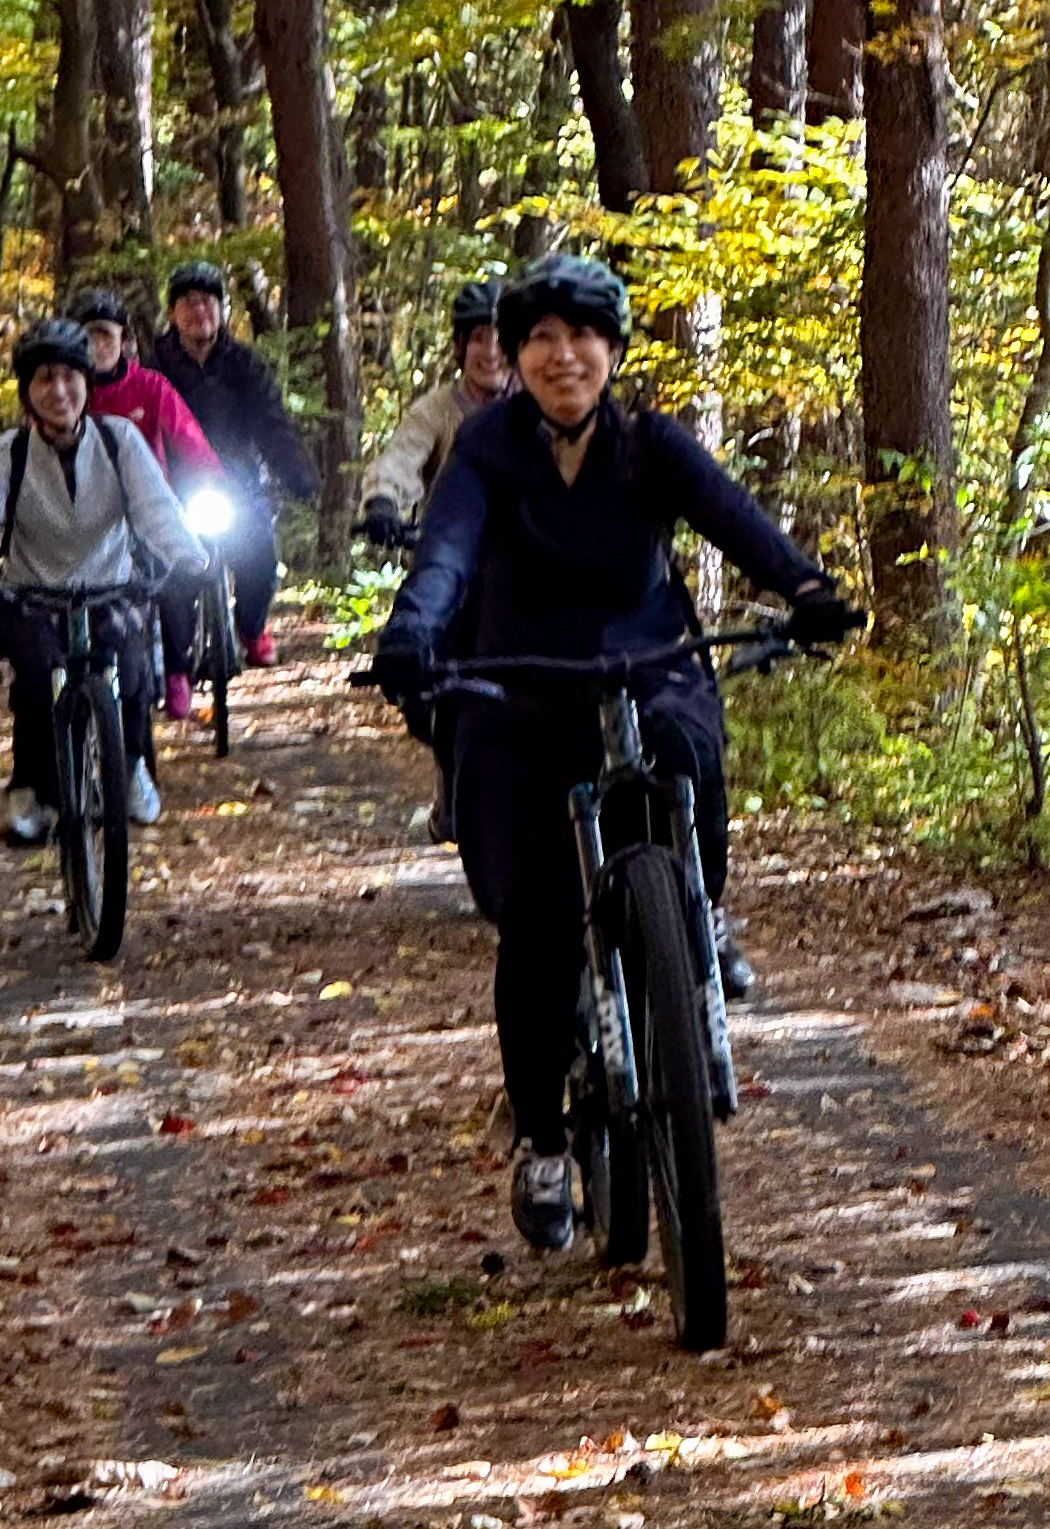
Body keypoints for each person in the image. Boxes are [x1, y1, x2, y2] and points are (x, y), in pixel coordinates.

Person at [367, 255, 860, 1254]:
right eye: (539, 339)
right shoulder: (485, 449)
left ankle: (702, 913)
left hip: (646, 654)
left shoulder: (651, 445)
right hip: (521, 675)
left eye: (581, 335)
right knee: (540, 925)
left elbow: (736, 520)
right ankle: (545, 1140)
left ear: (613, 348)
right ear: (514, 356)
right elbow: (448, 554)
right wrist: (412, 633)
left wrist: (805, 589)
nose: (562, 355)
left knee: (687, 738)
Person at [0, 318, 210, 844]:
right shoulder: (8, 453)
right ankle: (30, 791)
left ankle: (130, 764)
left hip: (110, 585)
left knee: (131, 665)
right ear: (26, 392)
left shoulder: (119, 440)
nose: (58, 391)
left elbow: (159, 510)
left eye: (70, 376)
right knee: (38, 678)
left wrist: (189, 561)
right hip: (31, 592)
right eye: (43, 379)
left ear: (88, 383)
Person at [151, 259, 318, 668]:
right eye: (188, 303)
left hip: (238, 482)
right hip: (174, 486)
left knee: (259, 555)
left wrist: (298, 476)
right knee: (166, 570)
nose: (199, 312)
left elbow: (271, 425)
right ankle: (175, 653)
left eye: (208, 302)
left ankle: (251, 627)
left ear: (222, 310)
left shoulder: (245, 365)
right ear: (173, 312)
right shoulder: (156, 366)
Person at [67, 285, 222, 721]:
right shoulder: (63, 394)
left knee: (174, 577)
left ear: (124, 342)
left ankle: (177, 670)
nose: (97, 347)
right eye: (87, 337)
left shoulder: (150, 387)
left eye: (105, 336)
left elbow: (190, 440)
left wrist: (219, 480)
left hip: (148, 508)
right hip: (84, 515)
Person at [357, 277, 511, 550]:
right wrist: (382, 501)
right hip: (450, 556)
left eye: (501, 341)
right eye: (478, 339)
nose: (491, 353)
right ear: (460, 347)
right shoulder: (436, 410)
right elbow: (401, 458)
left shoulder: (541, 408)